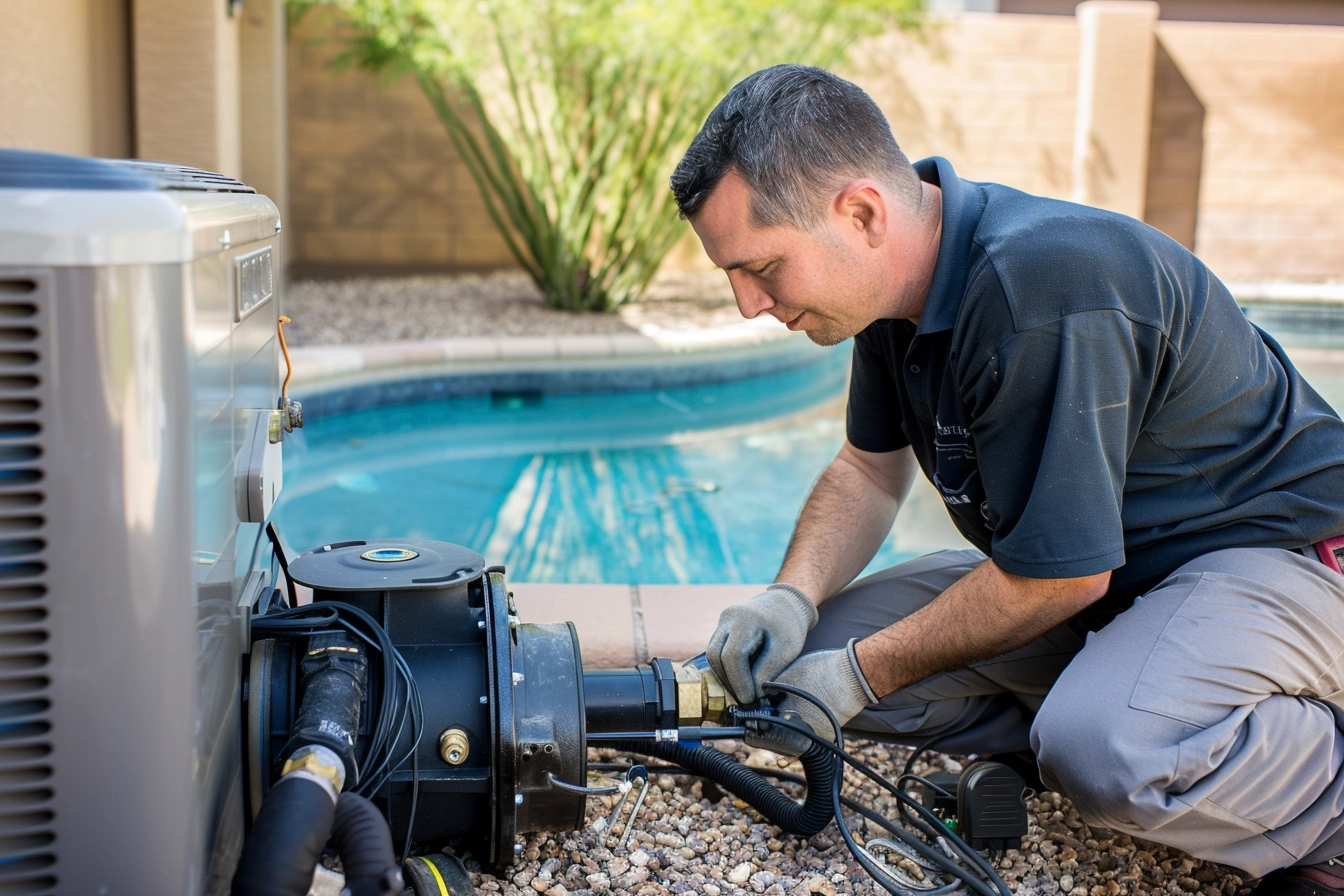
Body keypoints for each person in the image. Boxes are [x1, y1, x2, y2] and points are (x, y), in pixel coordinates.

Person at [671, 63, 1344, 896]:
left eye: (763, 266)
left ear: (862, 214)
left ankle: (1309, 806)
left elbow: (1057, 578)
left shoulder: (1044, 291)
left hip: (1288, 562)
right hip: (1123, 589)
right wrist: (790, 596)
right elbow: (868, 470)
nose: (748, 304)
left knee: (1108, 751)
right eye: (733, 275)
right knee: (795, 669)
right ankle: (1112, 713)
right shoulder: (890, 297)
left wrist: (862, 672)